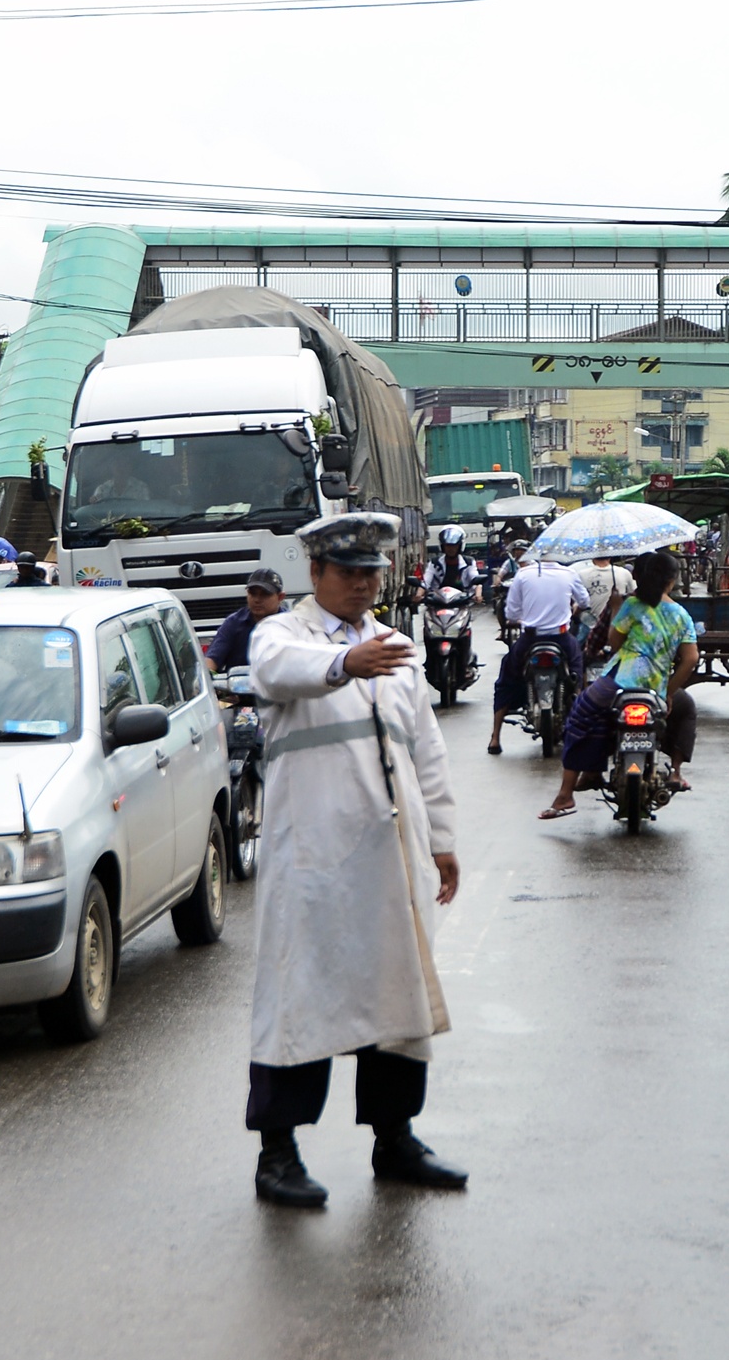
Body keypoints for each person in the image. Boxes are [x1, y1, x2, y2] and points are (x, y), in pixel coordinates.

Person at [244, 511, 466, 1204]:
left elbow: (426, 748)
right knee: (299, 999)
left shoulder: (397, 647)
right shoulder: (283, 634)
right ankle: (278, 1154)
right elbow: (275, 672)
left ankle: (394, 1140)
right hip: (312, 861)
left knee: (396, 997)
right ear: (315, 572)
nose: (363, 584)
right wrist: (343, 664)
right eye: (348, 571)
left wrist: (442, 840)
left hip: (388, 862)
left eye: (371, 572)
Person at [541, 549, 698, 819]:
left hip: (619, 683)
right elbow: (691, 658)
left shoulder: (632, 605)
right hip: (656, 690)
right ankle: (675, 771)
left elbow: (614, 644)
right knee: (686, 708)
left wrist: (615, 607)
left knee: (579, 717)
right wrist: (668, 692)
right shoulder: (681, 615)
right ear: (672, 581)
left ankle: (566, 794)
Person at [488, 550, 588, 754]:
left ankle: (495, 737)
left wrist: (524, 616)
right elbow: (585, 602)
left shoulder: (523, 574)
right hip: (561, 638)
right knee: (578, 671)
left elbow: (511, 612)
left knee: (506, 679)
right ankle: (580, 723)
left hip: (530, 639)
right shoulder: (569, 573)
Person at [204, 568, 286, 673]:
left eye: (265, 594)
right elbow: (212, 659)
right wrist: (207, 674)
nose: (257, 600)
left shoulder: (291, 625)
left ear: (280, 597)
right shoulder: (234, 623)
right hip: (239, 683)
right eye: (253, 593)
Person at [573, 555, 634, 644]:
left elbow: (580, 603)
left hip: (591, 625)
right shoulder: (624, 573)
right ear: (609, 557)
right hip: (618, 625)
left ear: (593, 557)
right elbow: (632, 596)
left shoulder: (581, 575)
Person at [420, 525, 484, 602]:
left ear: (460, 546)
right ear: (442, 546)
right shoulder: (434, 563)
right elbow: (425, 582)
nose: (451, 549)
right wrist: (418, 595)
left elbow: (475, 580)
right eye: (447, 546)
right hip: (438, 602)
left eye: (454, 546)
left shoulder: (469, 562)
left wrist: (478, 595)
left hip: (461, 602)